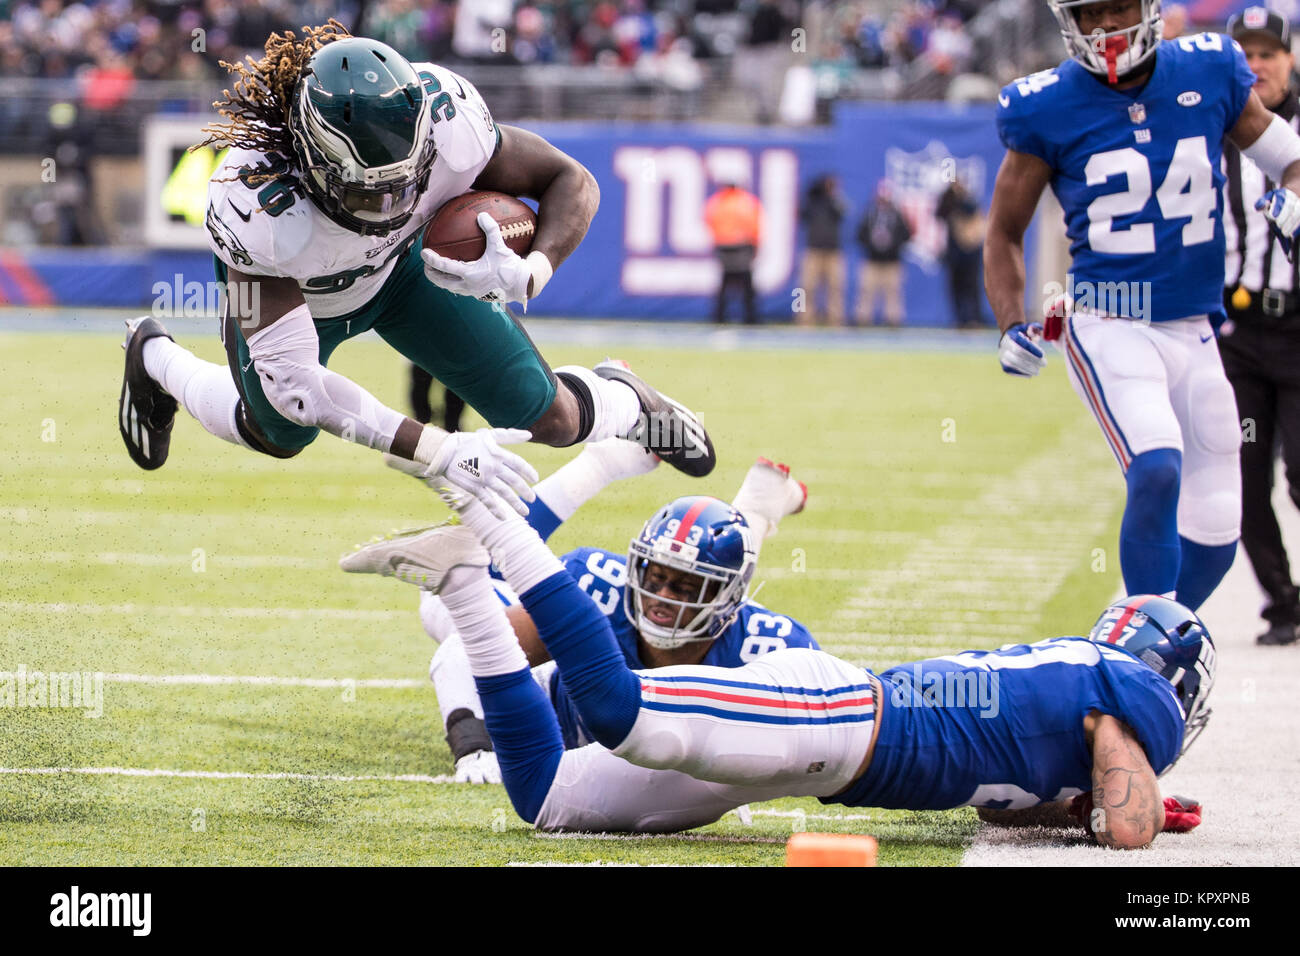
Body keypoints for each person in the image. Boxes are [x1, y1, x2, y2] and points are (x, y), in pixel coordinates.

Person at [364, 489, 1215, 849]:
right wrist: (1122, 786)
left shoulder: (1085, 683)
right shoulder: (1125, 696)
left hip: (839, 735)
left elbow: (1022, 802)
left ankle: (470, 585)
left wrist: (1074, 801)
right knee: (618, 713)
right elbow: (1127, 829)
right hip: (842, 723)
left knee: (550, 800)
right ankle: (490, 533)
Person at [118, 21, 715, 524]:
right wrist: (439, 450)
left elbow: (571, 179)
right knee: (278, 431)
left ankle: (633, 406)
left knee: (551, 419)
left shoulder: (448, 118)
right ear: (311, 159)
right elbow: (302, 392)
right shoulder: (258, 208)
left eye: (409, 180)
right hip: (307, 297)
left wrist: (533, 270)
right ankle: (154, 358)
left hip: (411, 271)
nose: (397, 204)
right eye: (371, 192)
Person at [986, 0, 1300, 611]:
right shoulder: (1044, 104)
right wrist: (1008, 322)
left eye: (1118, 8)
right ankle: (1137, 674)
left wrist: (1294, 196)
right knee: (1156, 466)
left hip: (1197, 327)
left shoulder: (1211, 69)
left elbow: (1289, 158)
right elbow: (1002, 230)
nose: (1105, 26)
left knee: (1216, 533)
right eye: (1090, 13)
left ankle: (1143, 651)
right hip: (1108, 319)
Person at [342, 444, 810, 782]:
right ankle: (604, 462)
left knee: (715, 561)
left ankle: (745, 507)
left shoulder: (768, 647)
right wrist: (472, 742)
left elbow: (823, 743)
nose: (663, 598)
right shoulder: (601, 589)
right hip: (554, 722)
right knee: (447, 596)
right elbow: (462, 651)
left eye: (686, 588)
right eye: (654, 578)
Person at [1219, 8, 1300, 647]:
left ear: (1290, 58)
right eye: (1245, 51)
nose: (1258, 63)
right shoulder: (1210, 132)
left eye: (1269, 51)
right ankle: (1283, 602)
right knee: (1244, 480)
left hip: (1299, 330)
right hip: (1237, 336)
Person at [703, 181, 762, 324]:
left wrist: (719, 239)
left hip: (724, 246)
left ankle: (719, 317)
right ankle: (750, 318)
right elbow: (755, 224)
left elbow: (709, 220)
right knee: (746, 284)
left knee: (725, 283)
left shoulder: (718, 201)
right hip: (742, 246)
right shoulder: (746, 201)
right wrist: (755, 245)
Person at [855, 181, 912, 326]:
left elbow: (906, 235)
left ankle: (893, 321)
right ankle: (863, 320)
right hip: (872, 260)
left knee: (893, 293)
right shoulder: (870, 213)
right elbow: (860, 235)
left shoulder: (897, 215)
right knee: (866, 292)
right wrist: (873, 244)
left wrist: (891, 245)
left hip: (892, 261)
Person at [937, 179, 988, 328]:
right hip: (954, 255)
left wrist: (961, 196)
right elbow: (939, 213)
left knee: (972, 288)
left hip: (970, 254)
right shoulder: (949, 203)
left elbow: (971, 209)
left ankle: (975, 319)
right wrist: (948, 195)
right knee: (955, 288)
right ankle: (960, 319)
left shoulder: (968, 202)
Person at [798, 174, 847, 326]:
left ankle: (835, 319)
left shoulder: (835, 201)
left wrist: (833, 195)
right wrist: (813, 194)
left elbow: (842, 211)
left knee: (836, 288)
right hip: (813, 250)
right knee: (805, 287)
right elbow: (802, 214)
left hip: (833, 252)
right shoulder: (813, 202)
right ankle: (803, 319)